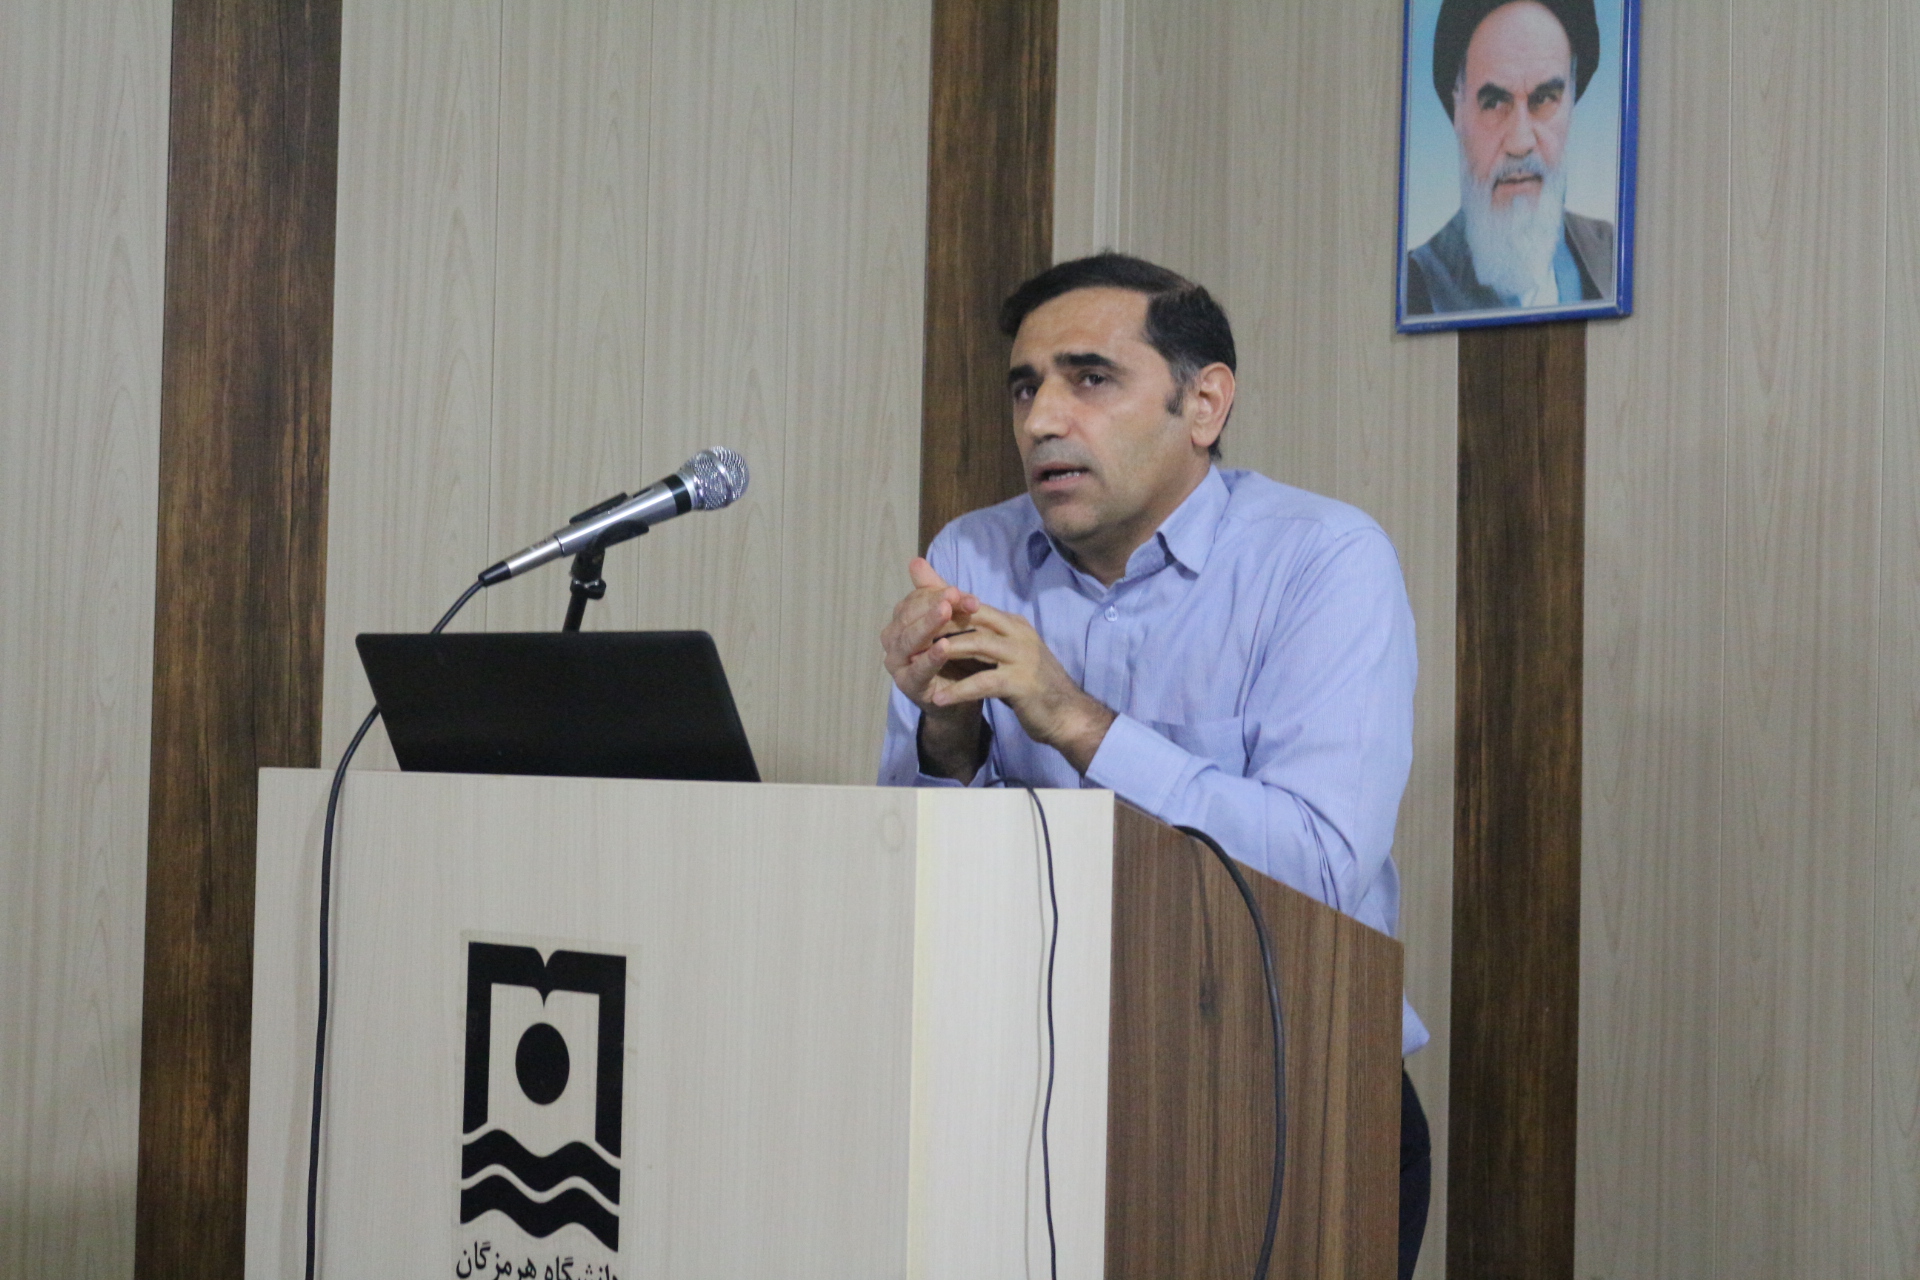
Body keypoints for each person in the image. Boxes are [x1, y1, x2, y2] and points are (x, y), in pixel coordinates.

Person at [877, 252, 1431, 1278]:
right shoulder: (970, 558)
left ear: (1204, 403)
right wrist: (947, 739)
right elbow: (913, 885)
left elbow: (1319, 868)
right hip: (1034, 1093)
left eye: (1090, 379)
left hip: (1285, 1099)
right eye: (1025, 388)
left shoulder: (1322, 560)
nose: (1043, 419)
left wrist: (1077, 721)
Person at [1405, 0, 1614, 315]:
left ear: (1571, 101)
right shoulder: (1414, 287)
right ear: (1458, 108)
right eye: (1494, 102)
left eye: (1544, 99)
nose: (1520, 142)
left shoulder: (1612, 254)